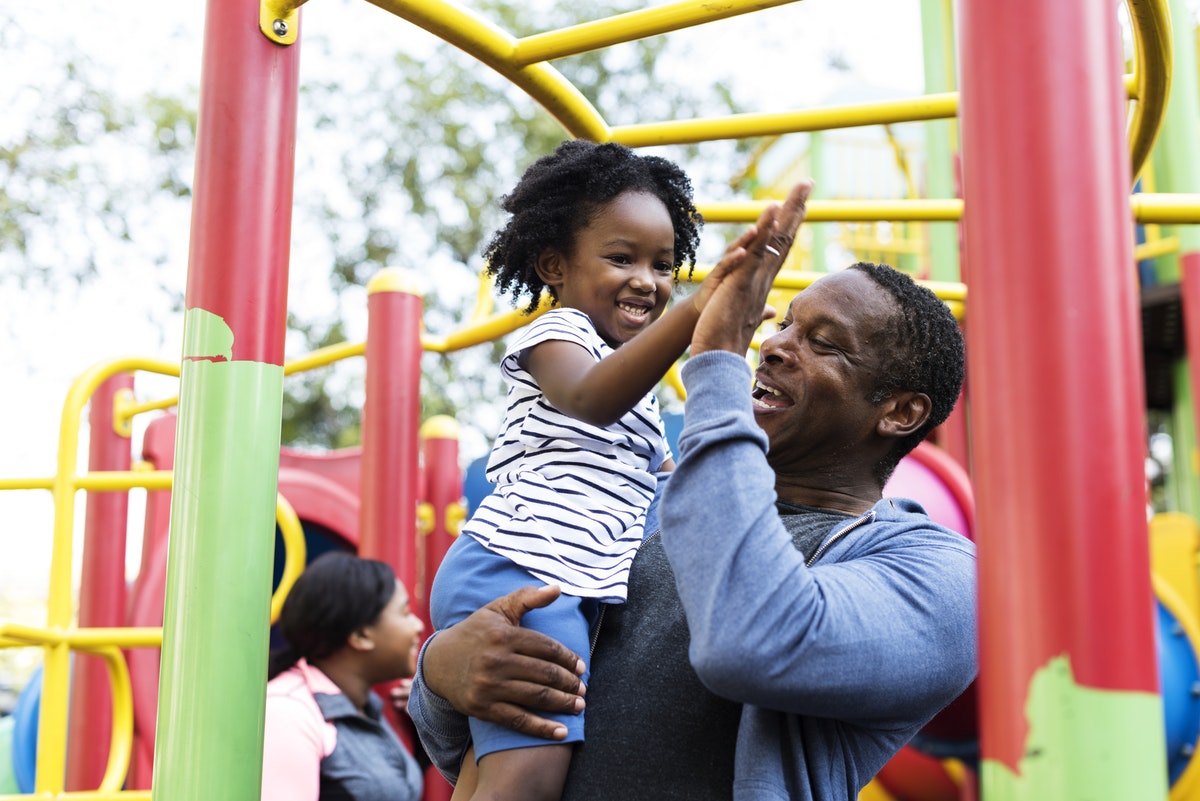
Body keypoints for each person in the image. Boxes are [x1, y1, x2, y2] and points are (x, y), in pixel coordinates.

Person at [409, 179, 978, 801]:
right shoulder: (638, 505)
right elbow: (473, 741)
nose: (776, 346)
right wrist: (443, 673)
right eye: (784, 325)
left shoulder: (937, 575)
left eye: (823, 344)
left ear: (899, 412)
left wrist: (715, 364)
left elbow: (751, 642)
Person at [428, 138, 793, 801]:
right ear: (554, 266)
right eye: (621, 258)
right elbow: (593, 398)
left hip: (564, 580)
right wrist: (693, 317)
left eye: (664, 265)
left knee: (493, 765)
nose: (647, 281)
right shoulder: (558, 336)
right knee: (531, 774)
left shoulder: (640, 395)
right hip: (521, 568)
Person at [261, 551, 426, 801]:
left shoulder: (365, 705)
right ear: (361, 636)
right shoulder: (288, 711)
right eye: (404, 613)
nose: (418, 626)